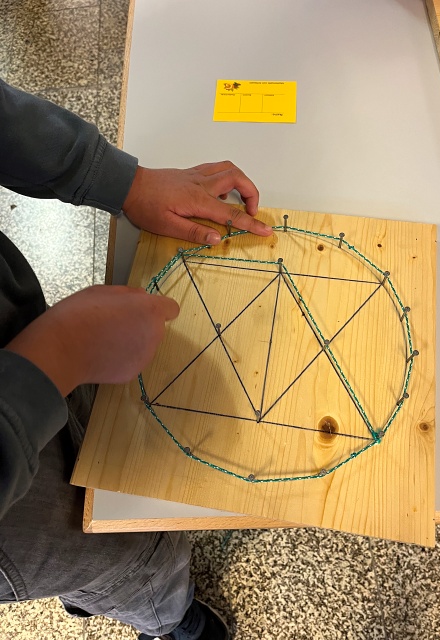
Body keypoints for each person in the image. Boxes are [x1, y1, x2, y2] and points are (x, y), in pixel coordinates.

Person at [0, 77, 272, 640]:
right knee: (126, 547)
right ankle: (166, 617)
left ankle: (89, 587)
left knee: (94, 428)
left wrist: (118, 178)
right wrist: (58, 354)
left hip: (17, 349)